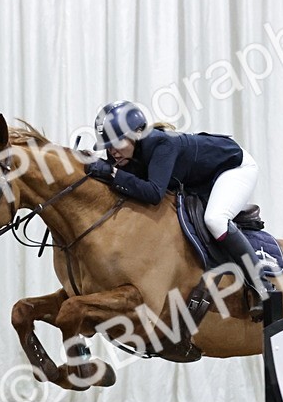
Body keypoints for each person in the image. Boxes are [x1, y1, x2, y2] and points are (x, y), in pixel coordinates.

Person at [84, 101, 271, 313]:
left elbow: (154, 193)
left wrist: (112, 174)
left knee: (215, 219)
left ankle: (262, 286)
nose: (112, 152)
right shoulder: (128, 154)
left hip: (234, 168)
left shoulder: (161, 143)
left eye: (116, 143)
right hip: (201, 178)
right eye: (107, 146)